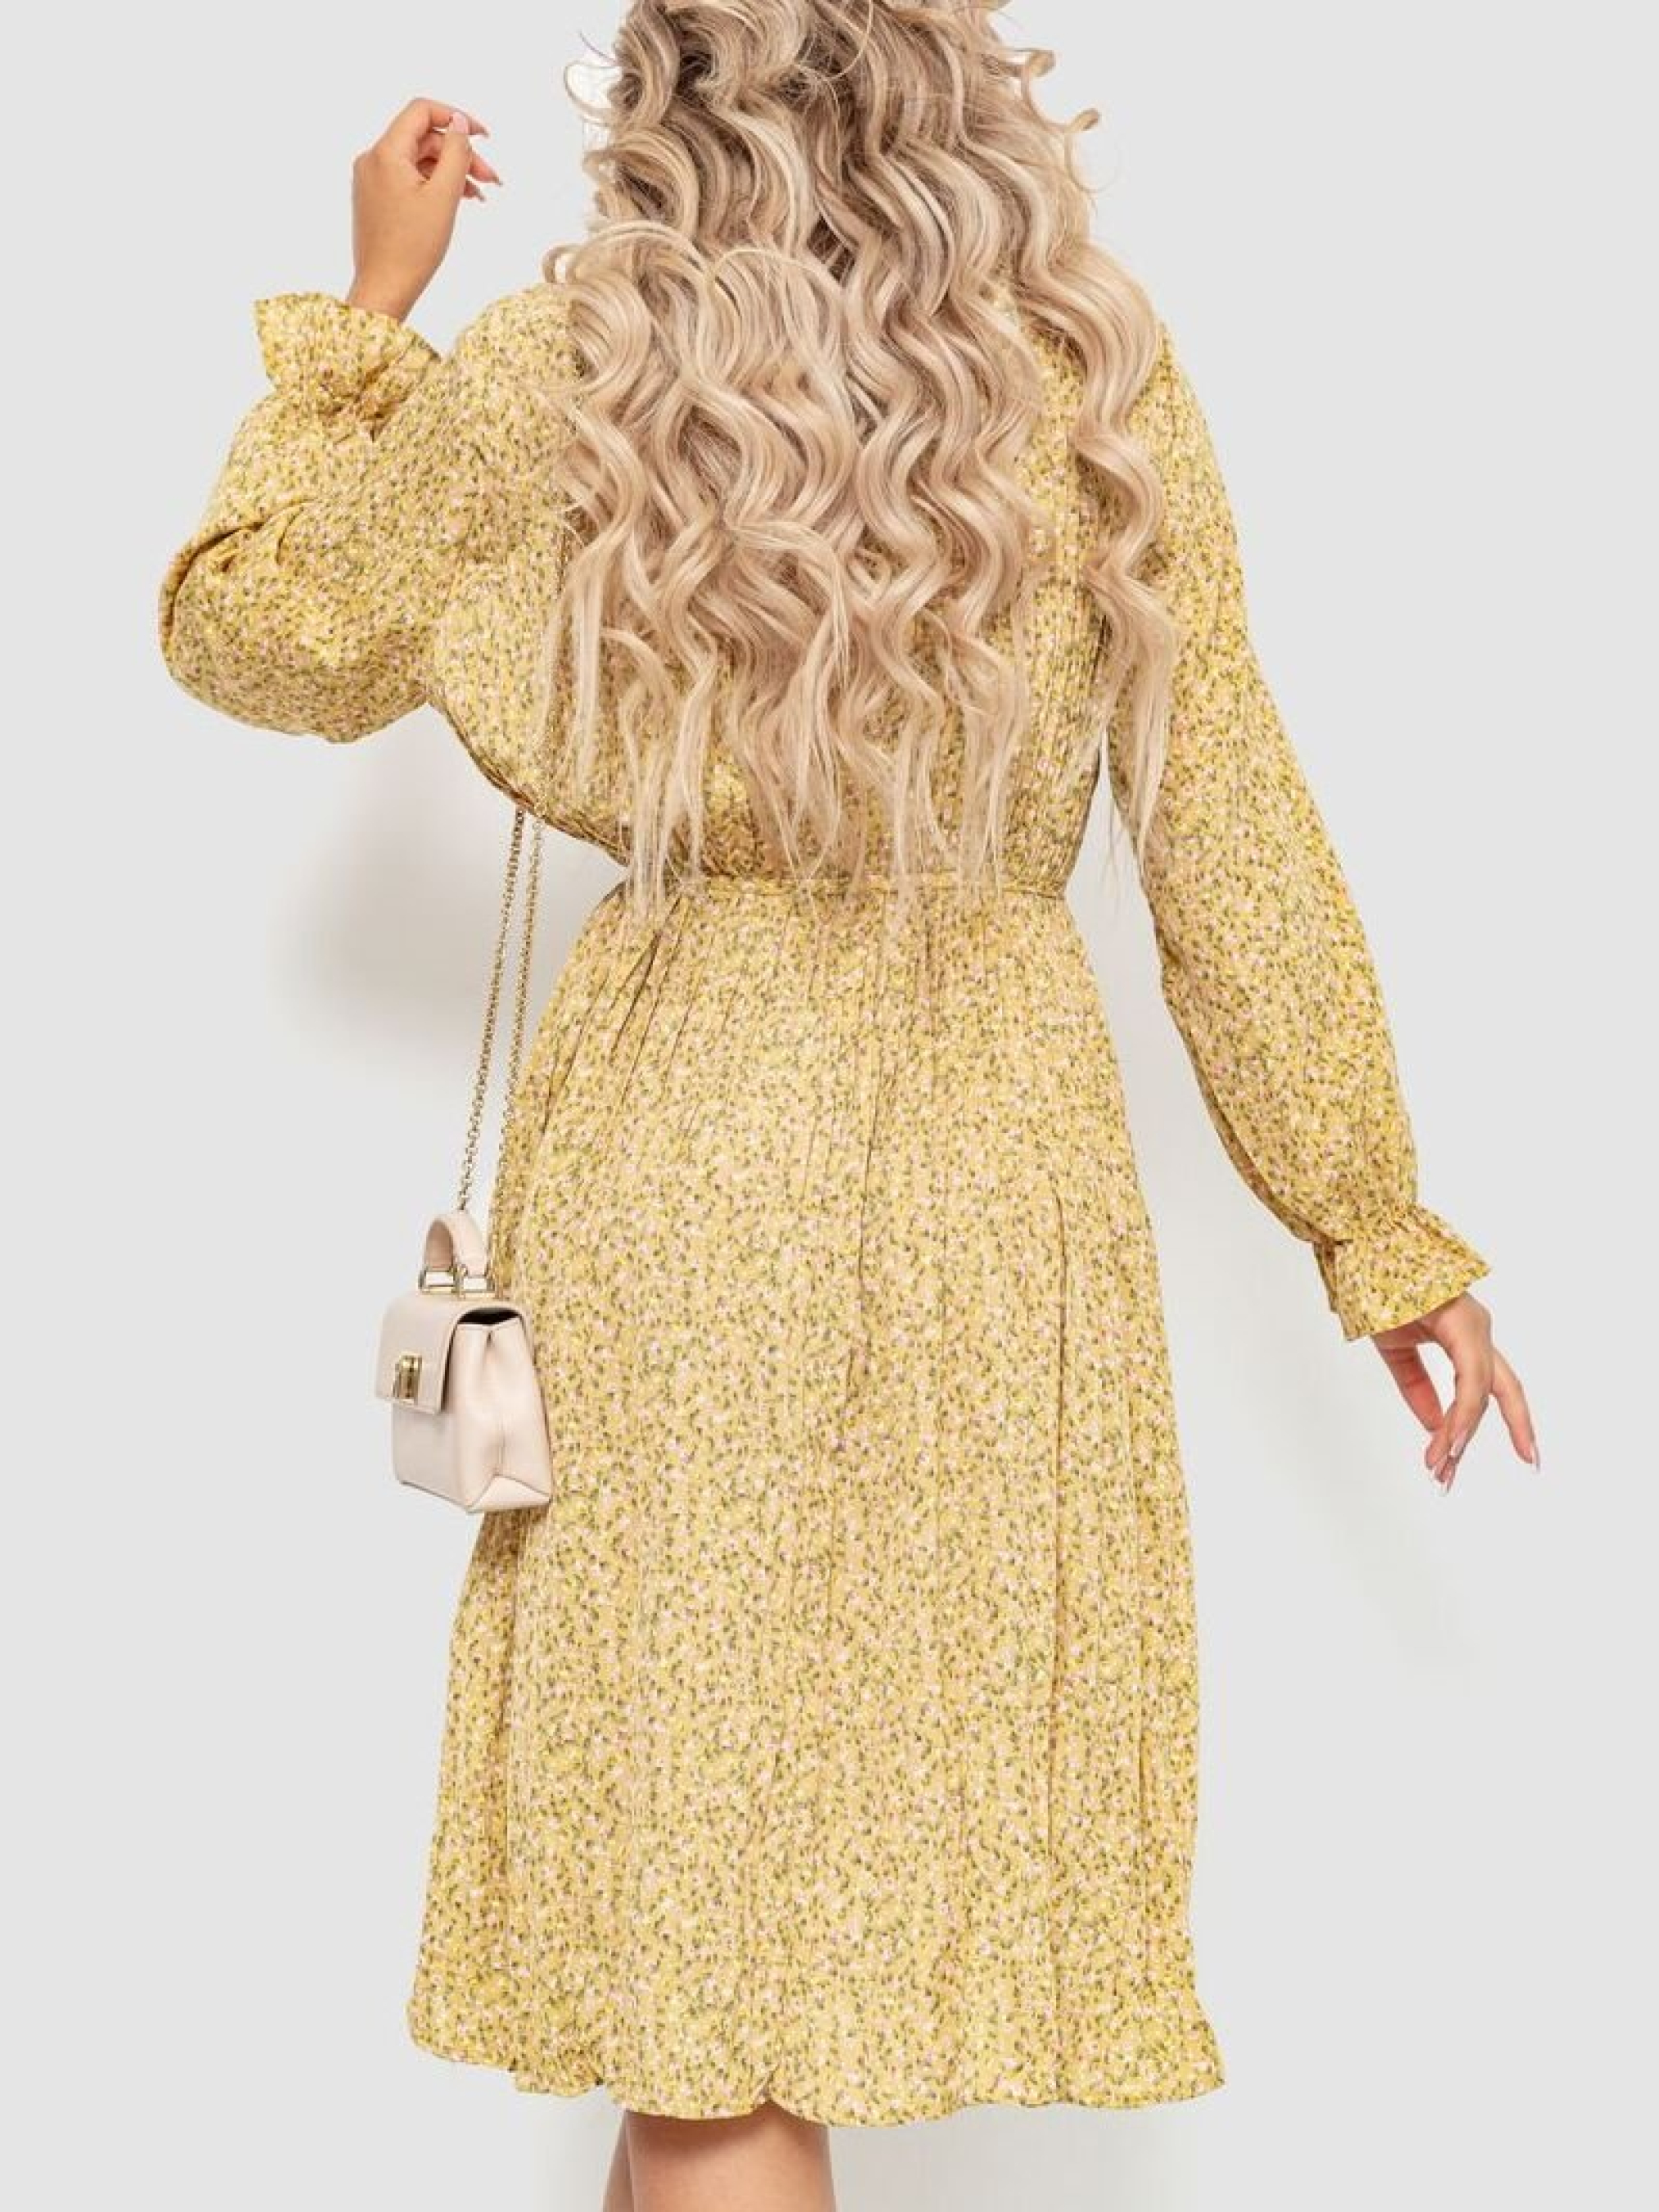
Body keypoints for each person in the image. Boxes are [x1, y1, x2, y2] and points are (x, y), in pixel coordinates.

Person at [156, 7, 1537, 2208]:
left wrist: (365, 315)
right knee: (731, 2012)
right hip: (993, 1168)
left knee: (699, 2005)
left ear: (669, 76)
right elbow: (1223, 818)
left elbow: (266, 634)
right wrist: (1370, 1223)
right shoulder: (1084, 370)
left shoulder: (569, 361)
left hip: (683, 1158)